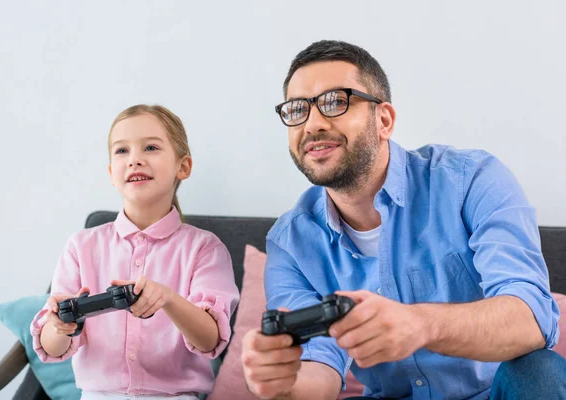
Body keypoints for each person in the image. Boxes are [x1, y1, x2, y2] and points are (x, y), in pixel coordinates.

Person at [241, 40, 566, 400]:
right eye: (297, 109)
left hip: (496, 393)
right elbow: (320, 369)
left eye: (335, 102)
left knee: (539, 371)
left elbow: (532, 319)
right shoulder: (290, 242)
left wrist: (421, 324)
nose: (312, 123)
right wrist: (284, 384)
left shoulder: (471, 180)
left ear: (384, 120)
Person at [30, 104, 239, 400]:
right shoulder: (81, 246)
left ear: (184, 166)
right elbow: (52, 348)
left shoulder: (205, 248)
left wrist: (168, 299)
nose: (135, 160)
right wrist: (59, 325)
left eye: (151, 147)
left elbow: (210, 341)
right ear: (111, 174)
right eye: (122, 151)